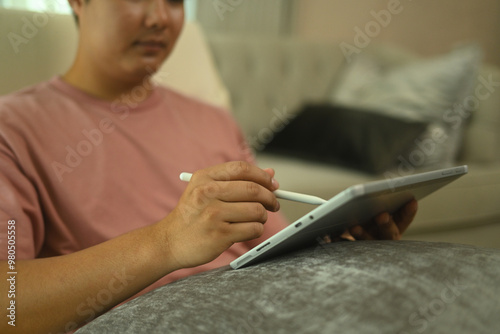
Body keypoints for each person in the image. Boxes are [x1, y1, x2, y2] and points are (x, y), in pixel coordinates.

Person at [0, 0, 418, 333]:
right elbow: (9, 305)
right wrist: (166, 243)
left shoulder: (212, 118)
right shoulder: (14, 127)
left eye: (176, 0)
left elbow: (271, 246)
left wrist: (343, 246)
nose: (160, 17)